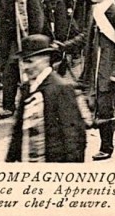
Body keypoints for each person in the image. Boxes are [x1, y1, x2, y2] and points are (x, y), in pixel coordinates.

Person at [65, 0, 115, 161]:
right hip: (94, 67)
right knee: (92, 104)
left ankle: (106, 147)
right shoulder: (96, 10)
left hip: (108, 70)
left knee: (105, 109)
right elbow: (86, 36)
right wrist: (66, 46)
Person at [5, 34, 86, 163]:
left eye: (30, 61)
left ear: (45, 60)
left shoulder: (61, 88)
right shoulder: (27, 88)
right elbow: (18, 131)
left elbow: (74, 138)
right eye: (23, 62)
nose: (25, 67)